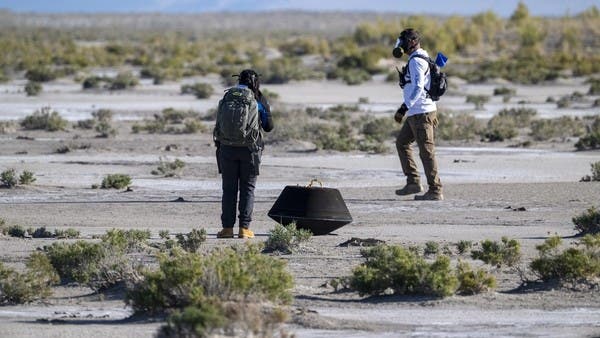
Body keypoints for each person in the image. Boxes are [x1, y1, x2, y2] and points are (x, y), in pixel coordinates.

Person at [213, 69, 274, 238]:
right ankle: (244, 229)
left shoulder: (228, 96)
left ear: (239, 80)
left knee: (229, 189)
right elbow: (269, 126)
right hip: (250, 150)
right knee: (247, 189)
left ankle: (227, 229)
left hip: (226, 148)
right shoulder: (257, 99)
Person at [393, 28, 443, 200]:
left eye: (403, 42)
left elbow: (418, 87)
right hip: (416, 112)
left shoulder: (416, 61)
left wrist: (403, 108)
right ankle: (413, 182)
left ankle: (435, 190)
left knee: (426, 152)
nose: (401, 46)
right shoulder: (418, 58)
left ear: (413, 42)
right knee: (402, 143)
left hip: (421, 113)